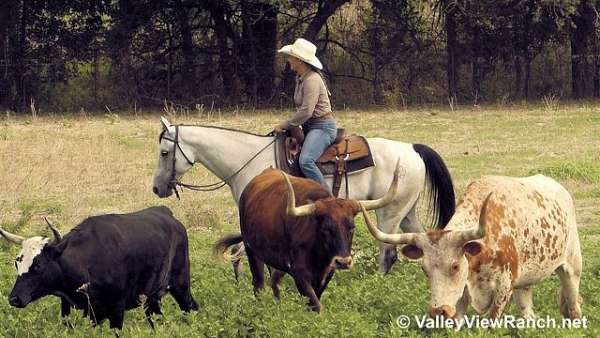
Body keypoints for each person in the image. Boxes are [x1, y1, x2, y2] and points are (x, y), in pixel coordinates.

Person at [274, 38, 337, 189]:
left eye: (291, 56)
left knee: (305, 161)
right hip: (310, 127)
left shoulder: (312, 80)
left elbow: (307, 110)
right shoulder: (301, 78)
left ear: (299, 60)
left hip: (322, 128)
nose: (289, 59)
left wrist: (285, 124)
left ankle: (326, 197)